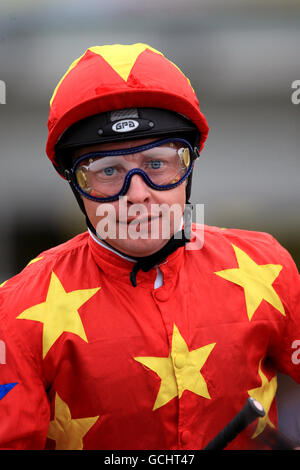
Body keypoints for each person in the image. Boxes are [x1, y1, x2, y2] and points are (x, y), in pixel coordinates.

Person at [0, 43, 299, 451]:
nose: (138, 194)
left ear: (188, 166)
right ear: (75, 185)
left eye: (158, 164)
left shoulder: (269, 266)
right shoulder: (16, 307)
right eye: (108, 172)